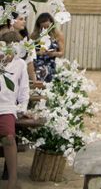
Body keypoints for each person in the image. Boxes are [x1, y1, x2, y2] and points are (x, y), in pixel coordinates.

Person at [0, 31, 30, 189]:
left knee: (8, 138)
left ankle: (13, 177)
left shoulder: (20, 64)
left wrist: (22, 108)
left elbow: (24, 89)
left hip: (6, 108)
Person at [30, 12, 65, 83]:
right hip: (37, 63)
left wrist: (53, 54)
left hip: (51, 64)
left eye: (47, 27)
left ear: (52, 24)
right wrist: (38, 53)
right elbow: (29, 53)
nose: (45, 29)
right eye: (43, 27)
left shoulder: (58, 35)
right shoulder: (34, 36)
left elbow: (61, 53)